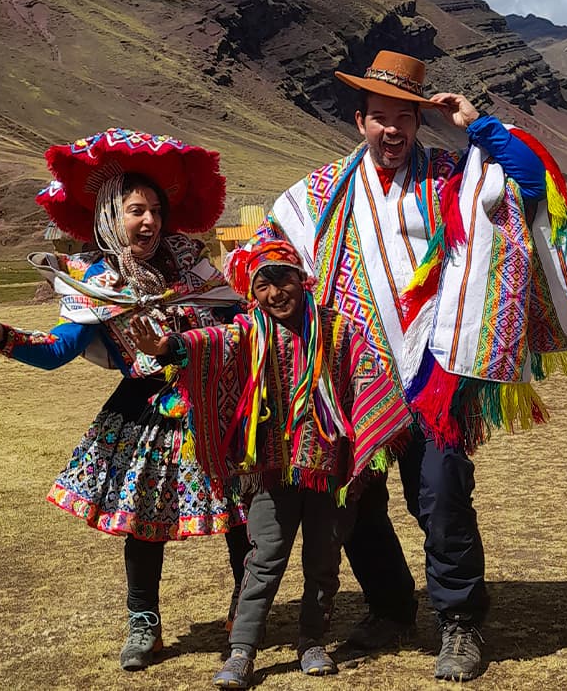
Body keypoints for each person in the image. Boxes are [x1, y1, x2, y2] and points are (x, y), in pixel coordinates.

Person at [251, 50, 567, 681]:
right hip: (356, 377)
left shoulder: (454, 176)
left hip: (436, 369)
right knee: (356, 504)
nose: (392, 131)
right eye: (380, 118)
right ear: (359, 120)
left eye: (405, 118)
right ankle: (391, 609)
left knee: (443, 497)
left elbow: (531, 185)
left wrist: (478, 125)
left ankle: (459, 621)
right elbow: (273, 248)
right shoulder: (319, 193)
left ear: (421, 122)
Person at [0, 129, 251, 672]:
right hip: (146, 413)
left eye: (154, 209)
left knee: (242, 515)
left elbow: (237, 319)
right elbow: (57, 350)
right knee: (144, 520)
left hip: (213, 401)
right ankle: (143, 623)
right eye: (134, 211)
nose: (147, 221)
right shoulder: (95, 280)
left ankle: (246, 612)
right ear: (109, 214)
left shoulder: (192, 263)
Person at [130, 239, 413, 689]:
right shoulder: (247, 331)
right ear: (252, 292)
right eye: (262, 284)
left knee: (324, 559)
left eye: (283, 279)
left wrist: (375, 428)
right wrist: (169, 347)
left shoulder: (337, 331)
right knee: (263, 559)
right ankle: (242, 650)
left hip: (329, 471)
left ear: (303, 280)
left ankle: (312, 641)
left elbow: (368, 375)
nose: (275, 292)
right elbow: (211, 342)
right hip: (269, 470)